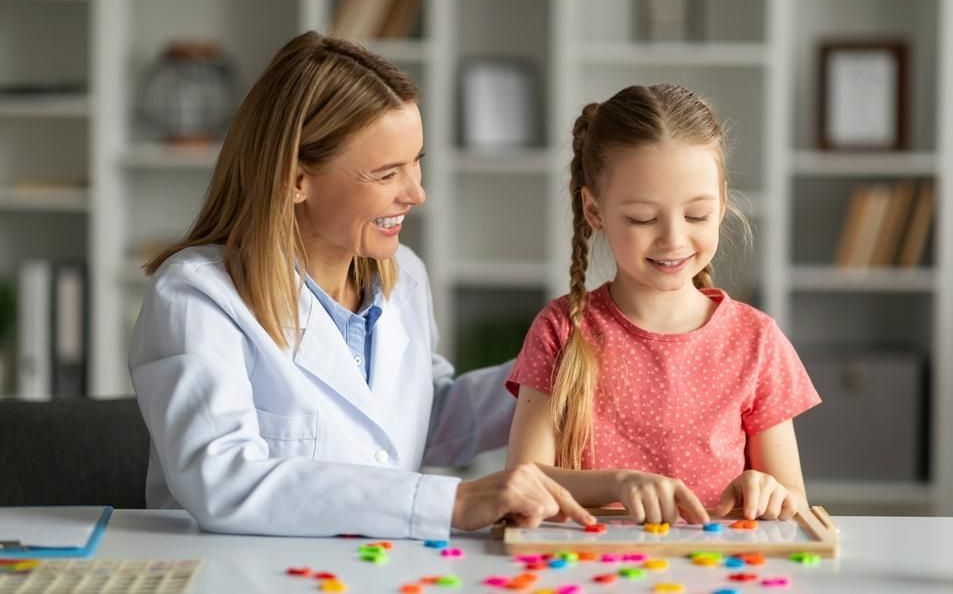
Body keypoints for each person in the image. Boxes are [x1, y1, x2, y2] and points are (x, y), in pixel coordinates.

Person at [129, 31, 594, 539]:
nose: (417, 192)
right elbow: (223, 482)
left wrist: (558, 369)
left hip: (373, 568)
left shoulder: (404, 277)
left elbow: (425, 420)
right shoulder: (198, 297)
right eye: (387, 173)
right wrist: (452, 502)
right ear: (296, 179)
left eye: (417, 162)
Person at [505, 84, 821, 525]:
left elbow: (793, 499)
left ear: (723, 203)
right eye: (643, 219)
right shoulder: (561, 329)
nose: (673, 239)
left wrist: (768, 491)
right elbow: (523, 480)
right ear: (595, 212)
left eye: (696, 216)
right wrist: (618, 483)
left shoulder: (756, 340)